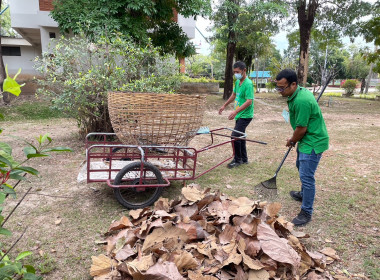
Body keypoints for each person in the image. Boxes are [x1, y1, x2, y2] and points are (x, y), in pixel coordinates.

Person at [275, 69, 329, 226]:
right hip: (305, 139)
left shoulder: (301, 100)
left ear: (293, 84)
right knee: (301, 166)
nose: (279, 91)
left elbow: (301, 129)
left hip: (312, 141)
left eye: (282, 88)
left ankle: (306, 212)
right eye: (277, 87)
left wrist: (292, 140)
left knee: (307, 177)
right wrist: (295, 138)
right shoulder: (297, 93)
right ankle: (303, 194)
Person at [219, 61, 254, 169]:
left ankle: (237, 159)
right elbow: (234, 95)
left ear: (244, 71)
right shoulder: (238, 82)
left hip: (245, 115)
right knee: (240, 136)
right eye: (234, 72)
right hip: (240, 115)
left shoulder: (248, 84)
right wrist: (224, 105)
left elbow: (249, 101)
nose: (236, 74)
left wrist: (235, 111)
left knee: (234, 135)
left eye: (237, 72)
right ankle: (244, 159)